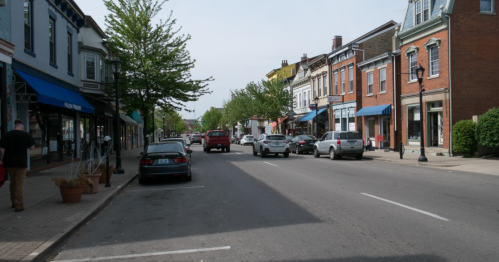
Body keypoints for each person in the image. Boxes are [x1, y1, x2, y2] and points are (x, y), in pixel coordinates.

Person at [0, 120, 35, 212]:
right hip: (21, 163)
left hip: (9, 163)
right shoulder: (26, 135)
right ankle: (18, 204)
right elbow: (32, 147)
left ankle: (13, 202)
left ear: (14, 127)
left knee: (12, 182)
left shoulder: (6, 135)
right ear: (22, 128)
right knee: (20, 183)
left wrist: (1, 160)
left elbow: (1, 149)